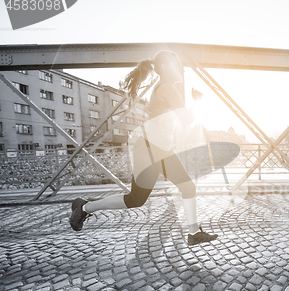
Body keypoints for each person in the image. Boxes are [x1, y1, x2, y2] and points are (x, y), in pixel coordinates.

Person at [68, 50, 218, 246]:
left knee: (186, 187)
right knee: (136, 199)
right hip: (149, 149)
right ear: (165, 67)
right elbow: (187, 119)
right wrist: (198, 101)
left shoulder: (163, 88)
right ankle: (85, 207)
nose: (180, 68)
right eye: (176, 64)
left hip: (159, 149)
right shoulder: (166, 88)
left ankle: (193, 233)